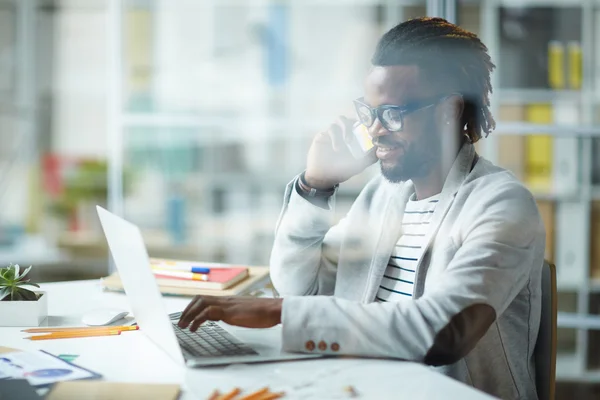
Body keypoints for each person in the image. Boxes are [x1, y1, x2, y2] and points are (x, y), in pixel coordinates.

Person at [178, 17, 545, 399]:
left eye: (392, 114)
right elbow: (299, 287)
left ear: (449, 110)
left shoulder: (502, 204)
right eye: (369, 113)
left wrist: (281, 312)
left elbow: (444, 333)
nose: (376, 130)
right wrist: (316, 186)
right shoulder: (381, 197)